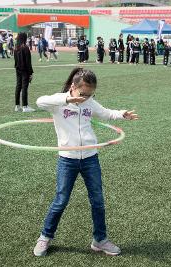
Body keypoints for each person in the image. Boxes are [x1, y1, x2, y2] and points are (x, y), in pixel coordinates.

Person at [34, 67, 138, 257]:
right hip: (68, 159)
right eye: (83, 94)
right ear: (73, 86)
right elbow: (39, 101)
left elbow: (106, 113)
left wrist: (122, 114)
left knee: (97, 201)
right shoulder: (58, 102)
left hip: (90, 157)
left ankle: (100, 240)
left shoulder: (89, 102)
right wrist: (66, 99)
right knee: (61, 200)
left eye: (90, 95)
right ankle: (45, 236)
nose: (86, 98)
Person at [14, 32, 34, 112]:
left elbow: (15, 60)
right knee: (24, 88)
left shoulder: (16, 48)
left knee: (18, 86)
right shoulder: (25, 47)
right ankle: (25, 106)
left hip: (18, 69)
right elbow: (28, 62)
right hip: (25, 70)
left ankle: (17, 106)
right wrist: (31, 73)